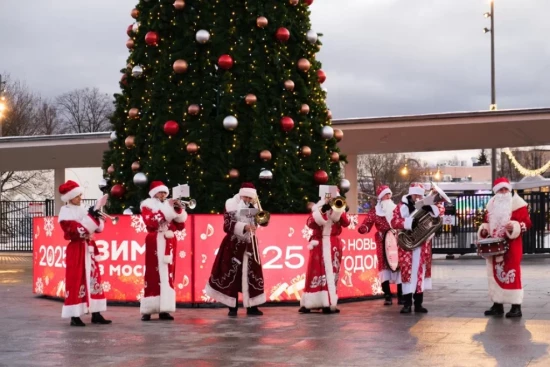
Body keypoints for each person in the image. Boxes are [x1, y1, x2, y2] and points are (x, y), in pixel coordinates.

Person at [205, 182, 266, 317]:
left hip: (250, 243)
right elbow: (227, 225)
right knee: (231, 274)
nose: (248, 200)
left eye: (250, 198)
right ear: (241, 194)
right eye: (246, 197)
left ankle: (252, 306)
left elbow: (263, 221)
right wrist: (244, 227)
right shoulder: (231, 204)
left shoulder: (255, 205)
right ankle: (232, 307)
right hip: (233, 244)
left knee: (252, 274)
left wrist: (256, 223)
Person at [58, 180, 111, 327]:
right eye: (77, 196)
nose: (80, 198)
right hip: (77, 249)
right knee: (76, 280)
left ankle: (96, 312)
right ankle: (75, 315)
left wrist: (97, 217)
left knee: (94, 279)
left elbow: (97, 229)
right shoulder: (65, 213)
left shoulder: (84, 208)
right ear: (69, 197)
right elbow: (76, 231)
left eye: (80, 195)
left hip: (89, 249)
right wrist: (91, 218)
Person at [477, 177, 532, 318]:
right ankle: (497, 304)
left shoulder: (518, 204)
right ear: (496, 191)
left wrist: (514, 226)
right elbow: (486, 222)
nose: (503, 192)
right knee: (494, 273)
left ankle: (516, 306)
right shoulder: (491, 205)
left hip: (512, 245)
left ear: (509, 189)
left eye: (505, 189)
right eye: (500, 190)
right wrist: (484, 230)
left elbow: (527, 223)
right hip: (494, 246)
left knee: (512, 273)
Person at [140, 181, 188, 321]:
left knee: (169, 274)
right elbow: (151, 222)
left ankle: (165, 309)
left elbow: (180, 226)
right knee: (152, 274)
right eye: (160, 192)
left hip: (169, 241)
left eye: (165, 193)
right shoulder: (147, 205)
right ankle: (148, 309)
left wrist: (178, 210)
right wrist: (168, 210)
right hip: (155, 240)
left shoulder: (169, 205)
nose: (163, 195)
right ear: (154, 193)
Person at [391, 182, 442, 314]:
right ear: (410, 193)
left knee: (420, 274)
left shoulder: (426, 205)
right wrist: (408, 222)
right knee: (407, 274)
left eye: (420, 195)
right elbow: (394, 221)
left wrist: (431, 206)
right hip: (407, 246)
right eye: (415, 194)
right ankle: (407, 304)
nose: (417, 197)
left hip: (422, 245)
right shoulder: (401, 207)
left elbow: (440, 212)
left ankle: (419, 304)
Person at [299, 188, 351, 314]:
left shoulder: (339, 207)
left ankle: (330, 302)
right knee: (315, 273)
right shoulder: (317, 208)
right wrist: (324, 209)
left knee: (333, 274)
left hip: (333, 244)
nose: (329, 198)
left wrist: (338, 209)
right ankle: (310, 303)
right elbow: (310, 223)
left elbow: (346, 222)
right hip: (319, 244)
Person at [358, 185, 402, 305]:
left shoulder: (397, 209)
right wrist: (363, 228)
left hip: (396, 241)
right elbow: (367, 223)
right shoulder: (375, 212)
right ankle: (387, 295)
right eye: (386, 195)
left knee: (399, 267)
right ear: (381, 197)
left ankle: (401, 295)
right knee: (384, 269)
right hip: (382, 243)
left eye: (389, 195)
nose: (388, 197)